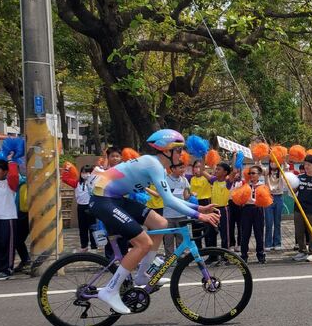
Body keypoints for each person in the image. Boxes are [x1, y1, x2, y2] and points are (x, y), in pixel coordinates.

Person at [88, 129, 220, 314]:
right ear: (168, 150)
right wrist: (200, 216)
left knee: (160, 223)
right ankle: (110, 290)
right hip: (103, 199)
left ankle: (142, 276)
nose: (182, 155)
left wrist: (198, 208)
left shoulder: (157, 165)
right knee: (143, 243)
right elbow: (169, 201)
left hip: (114, 197)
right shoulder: (154, 165)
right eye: (178, 150)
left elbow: (170, 197)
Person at [293, 155, 312, 262]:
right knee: (299, 231)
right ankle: (302, 251)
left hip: (311, 208)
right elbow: (294, 191)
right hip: (298, 208)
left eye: (308, 165)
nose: (306, 166)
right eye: (305, 164)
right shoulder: (300, 177)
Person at [161, 162, 191, 257]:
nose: (182, 170)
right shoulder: (165, 180)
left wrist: (191, 195)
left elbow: (186, 197)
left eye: (183, 167)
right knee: (168, 239)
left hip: (181, 215)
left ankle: (180, 258)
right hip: (168, 215)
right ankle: (169, 258)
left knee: (181, 238)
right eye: (180, 168)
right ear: (173, 169)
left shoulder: (184, 180)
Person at [240, 165, 266, 263]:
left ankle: (260, 255)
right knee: (245, 233)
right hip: (246, 209)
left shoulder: (262, 185)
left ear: (259, 175)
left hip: (258, 209)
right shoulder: (245, 185)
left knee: (259, 233)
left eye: (253, 173)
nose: (251, 175)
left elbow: (265, 199)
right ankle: (244, 256)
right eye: (250, 173)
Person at [70, 165, 98, 253]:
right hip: (81, 207)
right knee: (82, 228)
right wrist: (68, 168)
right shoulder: (77, 183)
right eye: (83, 172)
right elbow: (65, 179)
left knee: (92, 227)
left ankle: (94, 246)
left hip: (91, 206)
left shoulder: (94, 182)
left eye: (87, 172)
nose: (85, 174)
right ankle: (84, 246)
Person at [189, 160, 217, 248]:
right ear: (193, 169)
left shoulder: (207, 178)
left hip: (206, 203)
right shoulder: (189, 178)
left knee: (208, 227)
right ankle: (198, 251)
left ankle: (211, 251)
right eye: (196, 167)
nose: (198, 169)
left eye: (200, 167)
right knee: (196, 228)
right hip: (195, 204)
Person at [264, 161, 285, 251]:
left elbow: (286, 164)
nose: (273, 163)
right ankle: (268, 243)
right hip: (268, 197)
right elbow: (258, 166)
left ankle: (277, 243)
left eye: (275, 161)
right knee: (268, 222)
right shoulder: (266, 171)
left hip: (279, 197)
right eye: (271, 162)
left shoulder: (282, 171)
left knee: (277, 222)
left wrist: (282, 159)